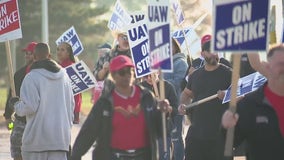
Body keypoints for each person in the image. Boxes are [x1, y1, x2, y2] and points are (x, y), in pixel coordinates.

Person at [71, 55, 172, 160]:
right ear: (113, 76)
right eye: (122, 72)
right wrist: (75, 155)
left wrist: (163, 113)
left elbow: (160, 130)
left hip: (142, 156)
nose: (127, 75)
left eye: (130, 71)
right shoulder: (105, 102)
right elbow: (89, 131)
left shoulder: (146, 97)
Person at [10, 43, 74, 160]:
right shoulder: (65, 77)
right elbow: (71, 107)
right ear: (49, 56)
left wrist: (15, 105)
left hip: (37, 142)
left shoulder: (31, 77)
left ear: (34, 56)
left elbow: (29, 107)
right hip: (60, 140)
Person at [222, 44, 284, 160]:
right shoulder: (252, 103)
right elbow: (255, 63)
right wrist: (227, 127)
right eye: (279, 64)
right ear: (268, 67)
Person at [179, 37, 232, 160]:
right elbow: (186, 94)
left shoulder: (229, 73)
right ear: (203, 53)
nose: (214, 54)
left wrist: (227, 95)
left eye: (216, 51)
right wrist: (182, 104)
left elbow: (240, 95)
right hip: (196, 135)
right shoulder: (195, 75)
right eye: (210, 51)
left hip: (220, 135)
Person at [3, 41, 37, 160]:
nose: (27, 55)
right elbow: (12, 96)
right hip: (21, 120)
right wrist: (8, 115)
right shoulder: (19, 74)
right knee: (17, 150)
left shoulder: (43, 74)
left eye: (30, 53)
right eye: (26, 53)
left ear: (37, 55)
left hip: (37, 120)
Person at [140, 72, 178, 160]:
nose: (149, 78)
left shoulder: (168, 86)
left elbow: (175, 110)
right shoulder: (139, 88)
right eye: (146, 76)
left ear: (157, 71)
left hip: (163, 131)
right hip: (145, 132)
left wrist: (168, 108)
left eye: (151, 75)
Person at [163, 38, 187, 160]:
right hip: (163, 108)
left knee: (176, 138)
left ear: (175, 47)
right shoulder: (162, 64)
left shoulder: (181, 62)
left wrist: (160, 82)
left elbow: (179, 83)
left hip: (176, 106)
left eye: (169, 46)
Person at [57, 42, 82, 124]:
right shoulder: (58, 66)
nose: (59, 52)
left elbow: (77, 94)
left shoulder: (71, 67)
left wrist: (76, 112)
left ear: (68, 53)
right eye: (58, 49)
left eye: (62, 50)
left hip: (67, 110)